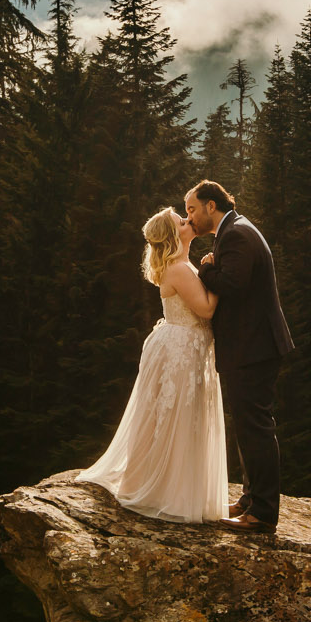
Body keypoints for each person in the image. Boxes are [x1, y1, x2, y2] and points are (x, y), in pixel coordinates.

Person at [77, 208, 229, 522]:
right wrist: (214, 275)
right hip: (182, 347)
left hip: (181, 345)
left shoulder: (180, 266)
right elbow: (206, 310)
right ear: (174, 236)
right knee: (174, 417)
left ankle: (171, 486)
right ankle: (165, 490)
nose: (188, 221)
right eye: (181, 222)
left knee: (173, 416)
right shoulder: (180, 269)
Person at [183, 179, 294, 535]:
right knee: (249, 426)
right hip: (251, 346)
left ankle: (262, 513)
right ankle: (250, 499)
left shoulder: (236, 235)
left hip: (254, 347)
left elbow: (232, 284)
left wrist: (205, 268)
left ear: (210, 206)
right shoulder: (233, 230)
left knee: (256, 427)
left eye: (192, 209)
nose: (191, 216)